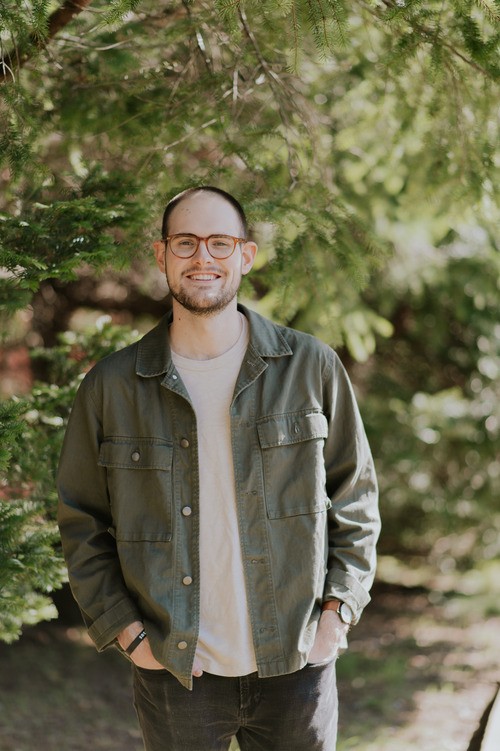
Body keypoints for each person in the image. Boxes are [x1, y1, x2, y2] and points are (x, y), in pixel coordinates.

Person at [57, 186, 380, 751]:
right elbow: (82, 522)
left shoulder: (310, 367)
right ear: (161, 255)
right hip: (175, 671)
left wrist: (336, 617)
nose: (202, 257)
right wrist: (131, 636)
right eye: (185, 242)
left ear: (245, 255)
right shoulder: (112, 386)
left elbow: (355, 497)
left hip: (297, 664)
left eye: (219, 243)